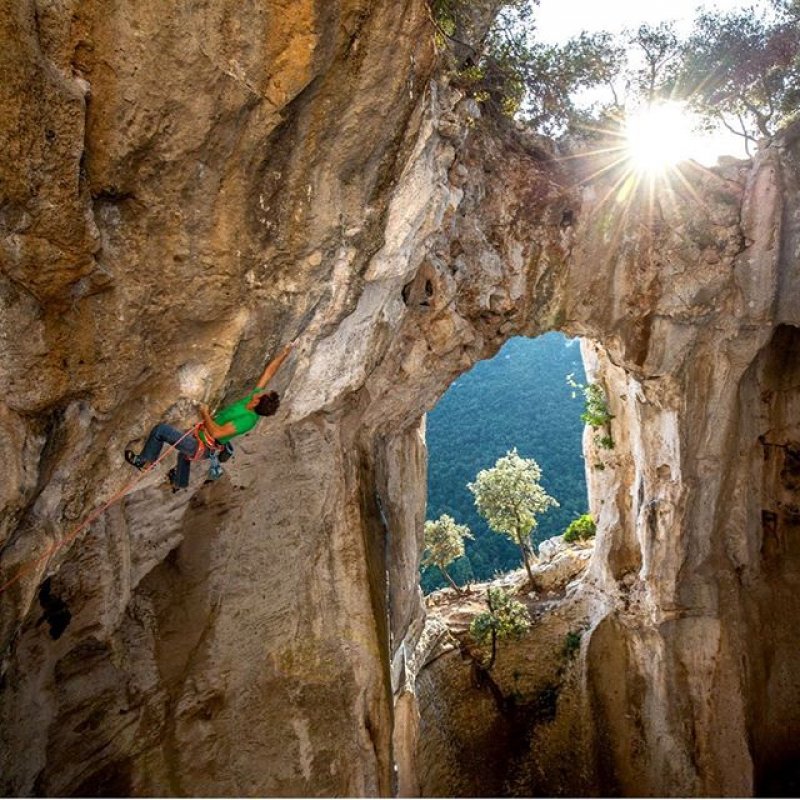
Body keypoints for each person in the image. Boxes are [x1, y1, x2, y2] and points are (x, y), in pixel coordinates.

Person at [125, 341, 294, 490]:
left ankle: (145, 462)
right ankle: (180, 482)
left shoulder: (247, 420)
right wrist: (285, 353)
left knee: (161, 431)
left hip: (204, 446)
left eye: (262, 394)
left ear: (258, 402)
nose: (261, 390)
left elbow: (217, 433)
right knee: (183, 454)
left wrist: (205, 413)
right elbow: (269, 373)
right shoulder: (253, 399)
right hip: (202, 439)